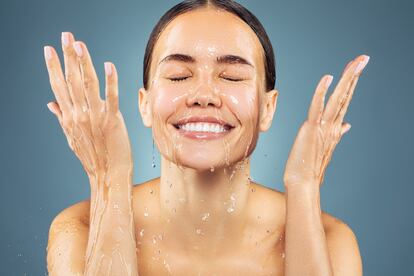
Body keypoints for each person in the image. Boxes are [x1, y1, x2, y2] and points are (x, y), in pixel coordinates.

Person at [43, 0, 368, 275]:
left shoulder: (327, 239)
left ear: (268, 108)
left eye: (231, 76)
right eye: (179, 75)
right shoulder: (81, 228)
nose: (203, 94)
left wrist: (303, 187)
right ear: (145, 105)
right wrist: (109, 181)